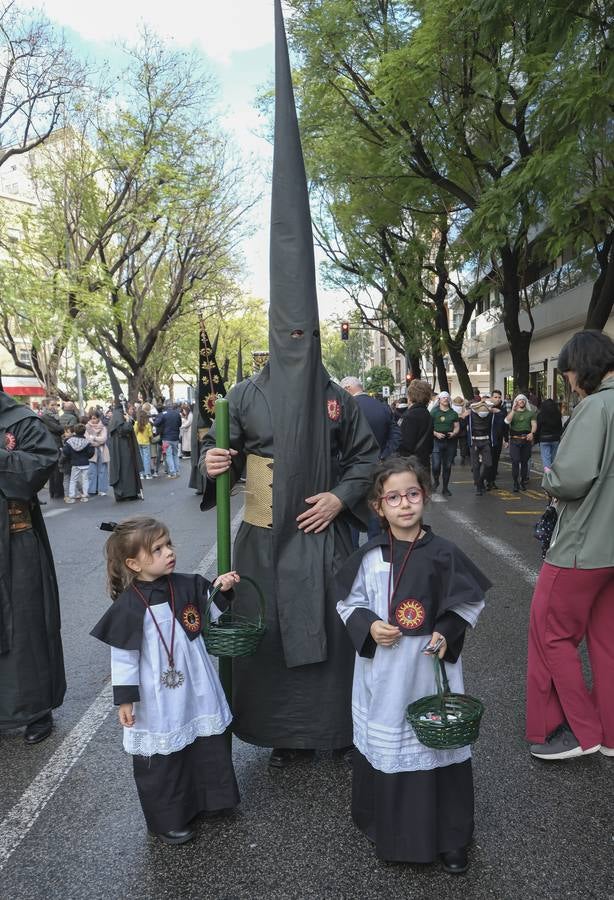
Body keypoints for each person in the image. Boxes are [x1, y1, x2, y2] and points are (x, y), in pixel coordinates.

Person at [201, 1, 380, 771]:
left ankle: (334, 731)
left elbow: (371, 457)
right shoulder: (241, 396)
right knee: (268, 634)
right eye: (288, 335)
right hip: (266, 538)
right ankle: (282, 735)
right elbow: (221, 462)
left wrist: (342, 496)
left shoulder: (340, 397)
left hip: (326, 534)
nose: (299, 346)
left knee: (336, 635)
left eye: (307, 335)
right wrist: (214, 466)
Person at [335, 456, 490, 873]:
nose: (404, 504)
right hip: (385, 672)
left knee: (438, 746)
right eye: (393, 497)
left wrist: (447, 630)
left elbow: (471, 600)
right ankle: (392, 832)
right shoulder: (369, 557)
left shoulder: (443, 553)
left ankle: (451, 836)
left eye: (412, 494)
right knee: (391, 745)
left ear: (424, 497)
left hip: (428, 669)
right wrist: (369, 627)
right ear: (378, 506)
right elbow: (349, 603)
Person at [91, 517, 241, 844]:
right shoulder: (129, 605)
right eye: (157, 549)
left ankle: (211, 799)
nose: (168, 552)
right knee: (164, 758)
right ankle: (168, 818)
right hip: (156, 693)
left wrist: (221, 587)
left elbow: (210, 611)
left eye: (168, 544)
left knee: (204, 742)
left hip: (195, 684)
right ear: (133, 563)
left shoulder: (187, 584)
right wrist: (126, 699)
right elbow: (125, 659)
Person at [526, 330, 614, 761]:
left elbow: (570, 478)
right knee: (607, 640)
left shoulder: (596, 406)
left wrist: (548, 478)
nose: (570, 384)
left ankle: (578, 731)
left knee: (551, 633)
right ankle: (610, 732)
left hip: (584, 543)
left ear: (582, 367)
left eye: (568, 375)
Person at [0, 388, 66, 744]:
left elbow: (40, 467)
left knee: (25, 626)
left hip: (14, 540)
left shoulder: (22, 421)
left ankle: (36, 710)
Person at [340, 376, 400, 542]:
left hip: (351, 469)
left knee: (352, 513)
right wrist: (382, 457)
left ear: (347, 389)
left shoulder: (345, 407)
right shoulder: (382, 407)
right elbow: (395, 435)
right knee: (375, 510)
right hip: (378, 468)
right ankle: (377, 549)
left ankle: (353, 555)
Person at [108, 402, 143, 502]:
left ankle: (131, 492)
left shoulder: (118, 418)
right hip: (123, 450)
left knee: (128, 470)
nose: (132, 411)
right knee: (125, 470)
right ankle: (126, 493)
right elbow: (123, 430)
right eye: (131, 409)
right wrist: (128, 422)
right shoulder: (119, 419)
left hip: (125, 448)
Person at [398, 379, 434, 471]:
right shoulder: (427, 414)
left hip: (411, 465)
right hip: (424, 462)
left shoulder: (410, 415)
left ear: (411, 395)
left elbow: (405, 444)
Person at [504, 395, 537, 491]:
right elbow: (506, 421)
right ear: (516, 402)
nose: (521, 401)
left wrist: (532, 433)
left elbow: (534, 424)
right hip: (514, 440)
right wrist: (513, 410)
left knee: (524, 462)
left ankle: (522, 481)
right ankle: (515, 482)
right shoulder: (512, 412)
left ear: (526, 401)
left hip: (526, 440)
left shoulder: (530, 413)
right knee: (515, 461)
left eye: (523, 400)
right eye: (519, 400)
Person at [430, 391, 459, 496]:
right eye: (443, 398)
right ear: (439, 400)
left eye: (447, 398)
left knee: (447, 466)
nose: (445, 399)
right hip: (436, 441)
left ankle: (445, 488)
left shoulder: (453, 413)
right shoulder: (434, 412)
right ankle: (436, 481)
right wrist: (436, 433)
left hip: (450, 441)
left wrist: (454, 433)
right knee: (436, 465)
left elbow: (457, 426)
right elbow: (429, 427)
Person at [466, 399, 496, 495]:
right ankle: (479, 486)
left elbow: (501, 417)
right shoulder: (470, 415)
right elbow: (461, 418)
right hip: (474, 441)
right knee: (475, 466)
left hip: (485, 441)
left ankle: (480, 481)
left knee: (488, 464)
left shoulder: (491, 414)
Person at [62, 423, 95, 503]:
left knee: (73, 480)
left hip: (75, 462)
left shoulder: (70, 441)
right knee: (85, 479)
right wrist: (87, 457)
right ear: (84, 432)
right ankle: (85, 495)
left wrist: (71, 456)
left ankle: (72, 496)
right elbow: (91, 452)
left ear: (75, 432)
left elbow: (65, 451)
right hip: (85, 462)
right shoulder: (87, 442)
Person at [39, 398, 65, 499]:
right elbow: (58, 428)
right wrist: (62, 428)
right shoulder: (45, 416)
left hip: (56, 443)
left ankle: (57, 491)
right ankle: (56, 492)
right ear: (46, 406)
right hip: (52, 444)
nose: (55, 407)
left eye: (56, 405)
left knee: (58, 469)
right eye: (52, 405)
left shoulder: (55, 416)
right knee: (56, 469)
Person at [154, 402, 182, 478]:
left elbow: (156, 423)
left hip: (166, 438)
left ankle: (172, 472)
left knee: (169, 455)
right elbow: (180, 424)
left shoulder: (163, 414)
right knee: (175, 454)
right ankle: (177, 471)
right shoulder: (177, 414)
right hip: (175, 437)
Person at [85, 411, 110, 496]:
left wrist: (94, 438)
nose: (93, 420)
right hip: (91, 451)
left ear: (98, 418)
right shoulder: (87, 427)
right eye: (91, 418)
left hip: (102, 451)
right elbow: (87, 440)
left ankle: (102, 490)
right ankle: (92, 489)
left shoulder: (103, 427)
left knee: (102, 470)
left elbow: (104, 439)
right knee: (92, 471)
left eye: (95, 418)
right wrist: (97, 441)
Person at [536, 398, 563, 471]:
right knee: (553, 458)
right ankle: (553, 474)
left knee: (546, 458)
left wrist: (536, 439)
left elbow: (538, 428)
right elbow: (560, 427)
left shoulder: (540, 415)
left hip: (544, 438)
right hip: (555, 438)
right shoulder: (557, 414)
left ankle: (548, 475)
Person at [488, 390, 508, 488]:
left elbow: (505, 425)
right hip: (487, 439)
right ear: (491, 398)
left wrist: (506, 439)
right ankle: (485, 480)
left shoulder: (503, 410)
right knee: (487, 461)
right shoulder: (486, 409)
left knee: (495, 460)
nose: (498, 399)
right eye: (495, 397)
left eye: (499, 397)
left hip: (498, 439)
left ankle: (492, 481)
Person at [133, 409, 153, 479]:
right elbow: (150, 434)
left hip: (138, 442)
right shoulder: (148, 424)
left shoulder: (136, 423)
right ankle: (147, 474)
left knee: (140, 458)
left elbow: (134, 433)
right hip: (146, 442)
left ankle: (141, 474)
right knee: (146, 458)